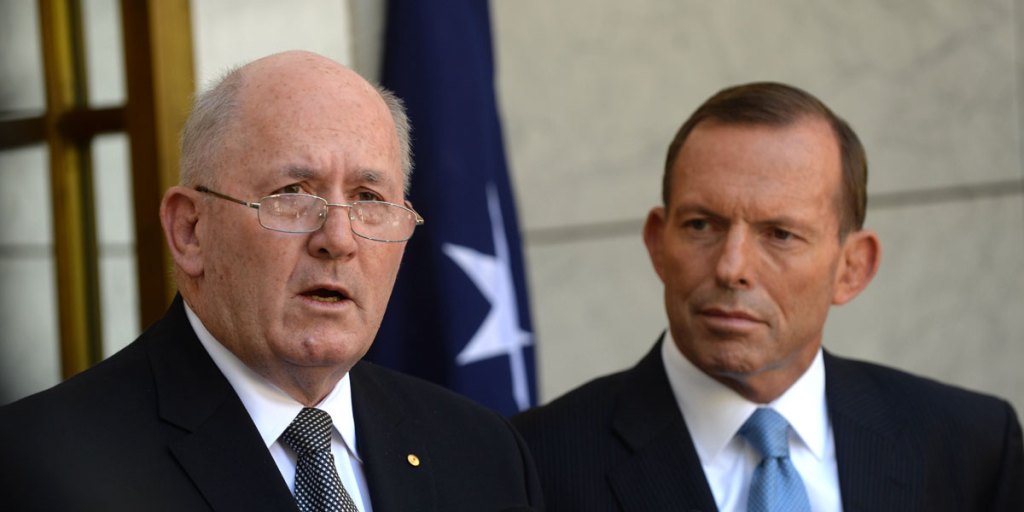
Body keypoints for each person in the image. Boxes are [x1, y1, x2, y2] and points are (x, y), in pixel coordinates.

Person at [0, 51, 542, 512]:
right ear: (190, 230)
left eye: (369, 200)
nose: (339, 238)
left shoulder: (482, 451)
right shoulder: (38, 466)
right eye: (292, 193)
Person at [511, 82, 1023, 511]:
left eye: (780, 234)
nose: (732, 267)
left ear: (852, 267)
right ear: (657, 243)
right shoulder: (529, 463)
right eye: (700, 224)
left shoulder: (970, 445)